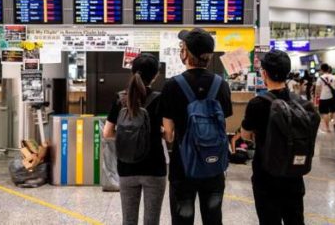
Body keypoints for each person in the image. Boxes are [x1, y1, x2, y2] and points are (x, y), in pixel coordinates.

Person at [160, 28, 233, 225]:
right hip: (214, 165)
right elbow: (223, 122)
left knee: (182, 219)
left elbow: (169, 135)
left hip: (183, 166)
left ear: (185, 53)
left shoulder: (172, 85)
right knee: (213, 218)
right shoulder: (221, 84)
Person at [241, 50, 307, 225]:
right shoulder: (300, 103)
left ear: (264, 74)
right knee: (295, 220)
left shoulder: (257, 104)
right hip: (294, 174)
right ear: (287, 73)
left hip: (266, 176)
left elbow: (245, 135)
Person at [103, 53, 166, 225]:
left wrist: (126, 136)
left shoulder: (121, 99)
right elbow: (169, 135)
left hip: (127, 167)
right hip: (155, 168)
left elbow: (107, 133)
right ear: (155, 75)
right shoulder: (160, 99)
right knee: (151, 221)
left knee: (128, 221)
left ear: (132, 72)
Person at [316, 63, 335, 132]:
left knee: (325, 112)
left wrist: (317, 95)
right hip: (332, 97)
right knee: (334, 110)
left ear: (321, 69)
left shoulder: (320, 78)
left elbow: (317, 89)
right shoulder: (334, 77)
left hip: (323, 97)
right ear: (328, 69)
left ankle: (328, 128)